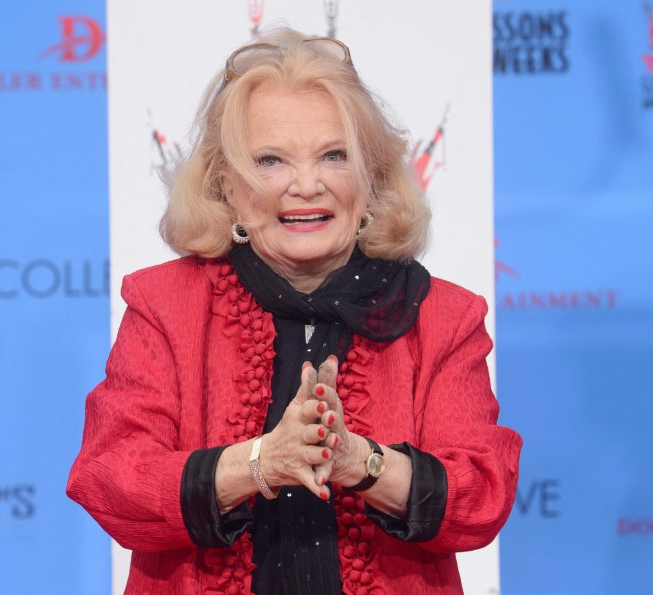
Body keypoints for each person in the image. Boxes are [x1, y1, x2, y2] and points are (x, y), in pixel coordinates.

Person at [67, 28, 522, 594]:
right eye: (270, 161)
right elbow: (111, 478)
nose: (306, 185)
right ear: (226, 186)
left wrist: (362, 462)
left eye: (334, 156)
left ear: (371, 179)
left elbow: (482, 497)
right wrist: (261, 462)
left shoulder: (442, 316)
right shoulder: (165, 304)